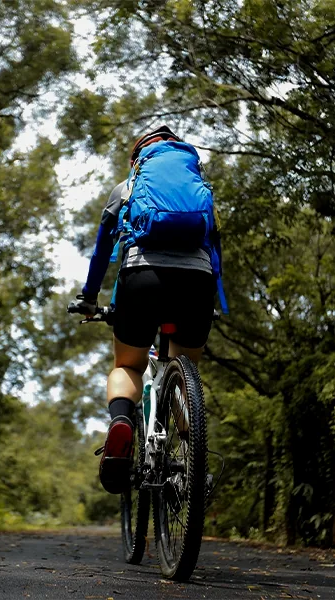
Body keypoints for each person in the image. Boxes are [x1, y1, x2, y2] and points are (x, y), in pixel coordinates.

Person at [68, 125, 222, 494]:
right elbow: (214, 249)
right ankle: (193, 459)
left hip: (142, 277)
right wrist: (212, 299)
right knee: (187, 371)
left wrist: (90, 297)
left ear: (138, 159)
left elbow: (102, 249)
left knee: (128, 365)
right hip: (197, 283)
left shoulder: (129, 187)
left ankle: (121, 423)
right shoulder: (201, 191)